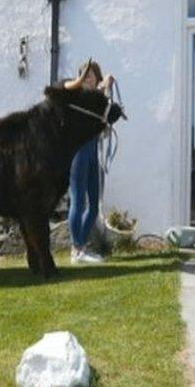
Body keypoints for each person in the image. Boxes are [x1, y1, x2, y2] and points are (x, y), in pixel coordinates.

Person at [63, 60, 115, 264]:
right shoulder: (77, 97)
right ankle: (76, 249)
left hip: (94, 153)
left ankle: (79, 248)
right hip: (79, 154)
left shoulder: (99, 100)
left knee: (94, 205)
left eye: (91, 75)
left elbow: (106, 115)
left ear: (97, 78)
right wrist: (102, 86)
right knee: (78, 200)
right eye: (84, 75)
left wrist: (107, 87)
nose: (88, 78)